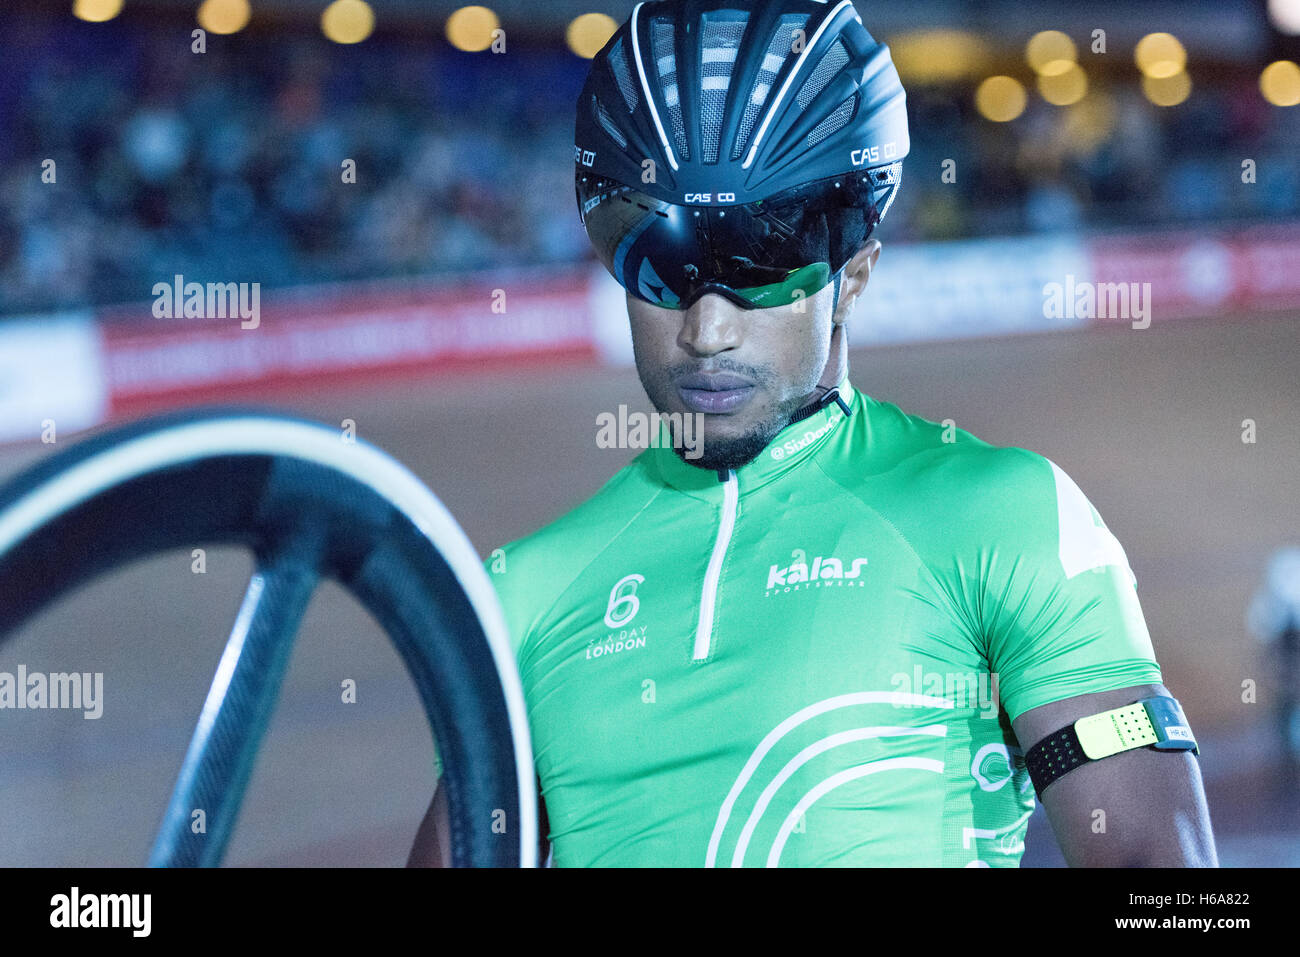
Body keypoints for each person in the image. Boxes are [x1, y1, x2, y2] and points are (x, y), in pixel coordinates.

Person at [410, 0, 1216, 867]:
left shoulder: (1006, 518)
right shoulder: (517, 596)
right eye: (664, 269)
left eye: (758, 272)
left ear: (855, 275)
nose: (706, 331)